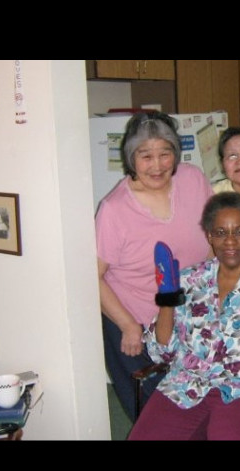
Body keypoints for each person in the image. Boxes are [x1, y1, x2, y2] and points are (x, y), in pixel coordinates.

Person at [128, 192, 240, 440]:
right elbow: (163, 352)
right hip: (188, 384)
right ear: (210, 236)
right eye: (220, 233)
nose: (230, 241)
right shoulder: (189, 280)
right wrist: (168, 297)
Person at [95, 111, 214, 422]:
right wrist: (127, 325)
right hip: (137, 323)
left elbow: (215, 237)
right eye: (146, 155)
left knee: (196, 406)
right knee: (155, 415)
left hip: (191, 320)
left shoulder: (193, 179)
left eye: (165, 153)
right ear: (131, 158)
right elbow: (91, 277)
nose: (158, 164)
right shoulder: (114, 209)